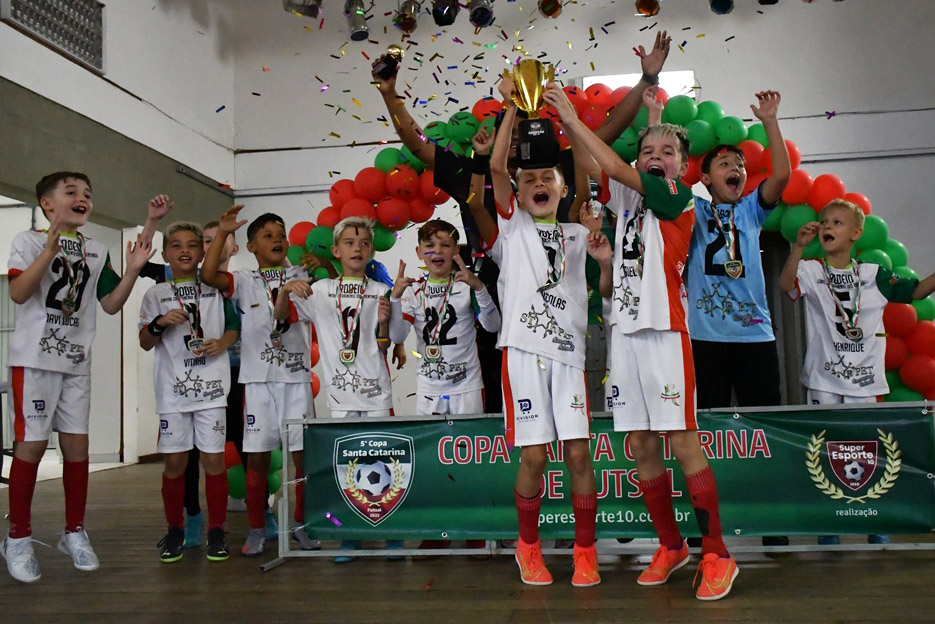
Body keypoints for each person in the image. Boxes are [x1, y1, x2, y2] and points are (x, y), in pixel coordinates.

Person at [548, 85, 739, 600]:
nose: (656, 158)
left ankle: (718, 553)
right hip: (624, 335)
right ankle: (671, 545)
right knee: (639, 445)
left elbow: (608, 164)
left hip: (665, 334)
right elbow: (590, 163)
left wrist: (570, 111)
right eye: (648, 151)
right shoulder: (630, 205)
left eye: (667, 152)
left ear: (682, 166)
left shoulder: (679, 198)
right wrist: (569, 127)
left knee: (681, 441)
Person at [466, 79, 604, 587]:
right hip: (523, 354)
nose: (539, 183)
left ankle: (586, 550)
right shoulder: (510, 230)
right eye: (531, 180)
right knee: (534, 455)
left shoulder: (577, 232)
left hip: (568, 355)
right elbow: (499, 168)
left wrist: (568, 119)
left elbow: (588, 171)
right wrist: (508, 107)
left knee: (578, 454)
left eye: (549, 177)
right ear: (520, 193)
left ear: (563, 187)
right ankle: (528, 546)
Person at [1, 172, 156, 583]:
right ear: (47, 204)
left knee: (76, 448)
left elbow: (110, 305)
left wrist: (132, 272)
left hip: (75, 362)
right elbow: (17, 295)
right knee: (31, 448)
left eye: (88, 192)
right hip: (34, 362)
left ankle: (74, 532)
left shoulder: (96, 249)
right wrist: (48, 250)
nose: (82, 198)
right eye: (71, 192)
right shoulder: (28, 241)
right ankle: (17, 536)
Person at [685, 92, 790, 547]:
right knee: (702, 434)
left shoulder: (750, 209)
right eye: (725, 163)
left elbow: (782, 174)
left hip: (755, 338)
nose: (736, 169)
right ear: (706, 177)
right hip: (705, 338)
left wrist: (770, 121)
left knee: (764, 429)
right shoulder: (690, 211)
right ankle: (705, 526)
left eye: (741, 165)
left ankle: (772, 523)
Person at [275, 216, 401, 563]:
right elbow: (282, 318)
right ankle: (349, 535)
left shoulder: (380, 292)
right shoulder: (319, 290)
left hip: (376, 391)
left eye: (363, 243)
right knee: (348, 467)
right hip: (340, 395)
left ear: (371, 250)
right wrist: (285, 290)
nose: (357, 248)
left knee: (386, 465)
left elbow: (386, 344)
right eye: (349, 242)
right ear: (335, 250)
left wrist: (388, 323)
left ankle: (391, 533)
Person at [201, 206, 317, 557]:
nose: (277, 240)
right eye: (267, 236)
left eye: (281, 235)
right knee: (258, 459)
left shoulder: (301, 275)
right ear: (251, 246)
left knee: (304, 459)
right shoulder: (244, 280)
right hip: (258, 381)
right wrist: (222, 232)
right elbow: (208, 275)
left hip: (296, 379)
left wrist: (322, 267)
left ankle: (303, 526)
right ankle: (257, 528)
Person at [387, 219, 501, 554]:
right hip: (429, 388)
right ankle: (437, 530)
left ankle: (476, 527)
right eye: (430, 245)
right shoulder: (412, 290)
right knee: (432, 461)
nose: (437, 251)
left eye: (445, 245)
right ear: (419, 251)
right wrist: (395, 298)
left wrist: (480, 288)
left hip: (467, 384)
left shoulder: (467, 285)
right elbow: (396, 336)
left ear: (456, 251)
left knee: (471, 458)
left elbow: (493, 326)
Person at [139, 221, 240, 562]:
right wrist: (159, 323)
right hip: (173, 393)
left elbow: (233, 328)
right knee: (176, 463)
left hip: (212, 389)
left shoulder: (214, 290)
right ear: (165, 253)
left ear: (202, 252)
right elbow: (144, 341)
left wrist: (221, 343)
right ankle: (175, 529)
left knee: (213, 460)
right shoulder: (155, 294)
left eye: (193, 245)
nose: (185, 250)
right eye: (177, 245)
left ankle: (216, 530)